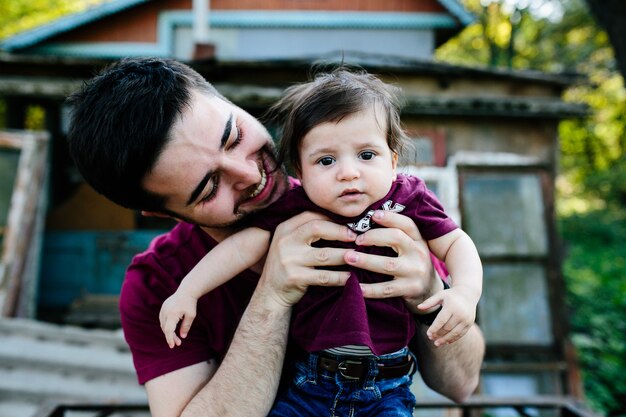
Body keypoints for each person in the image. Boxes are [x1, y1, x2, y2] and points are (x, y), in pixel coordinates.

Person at [65, 57, 485, 417]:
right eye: (210, 187)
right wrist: (273, 294)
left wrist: (431, 291)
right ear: (161, 212)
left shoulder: (375, 207)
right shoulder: (156, 284)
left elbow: (462, 384)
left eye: (234, 136)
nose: (251, 175)